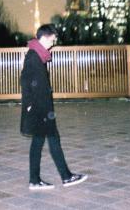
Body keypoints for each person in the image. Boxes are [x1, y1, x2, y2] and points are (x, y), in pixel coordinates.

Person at [20, 23, 88, 191]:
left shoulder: (37, 54)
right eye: (52, 39)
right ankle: (65, 176)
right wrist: (30, 105)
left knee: (39, 142)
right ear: (44, 38)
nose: (53, 43)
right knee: (53, 140)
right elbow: (26, 81)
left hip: (41, 107)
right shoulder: (34, 57)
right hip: (41, 109)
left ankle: (35, 180)